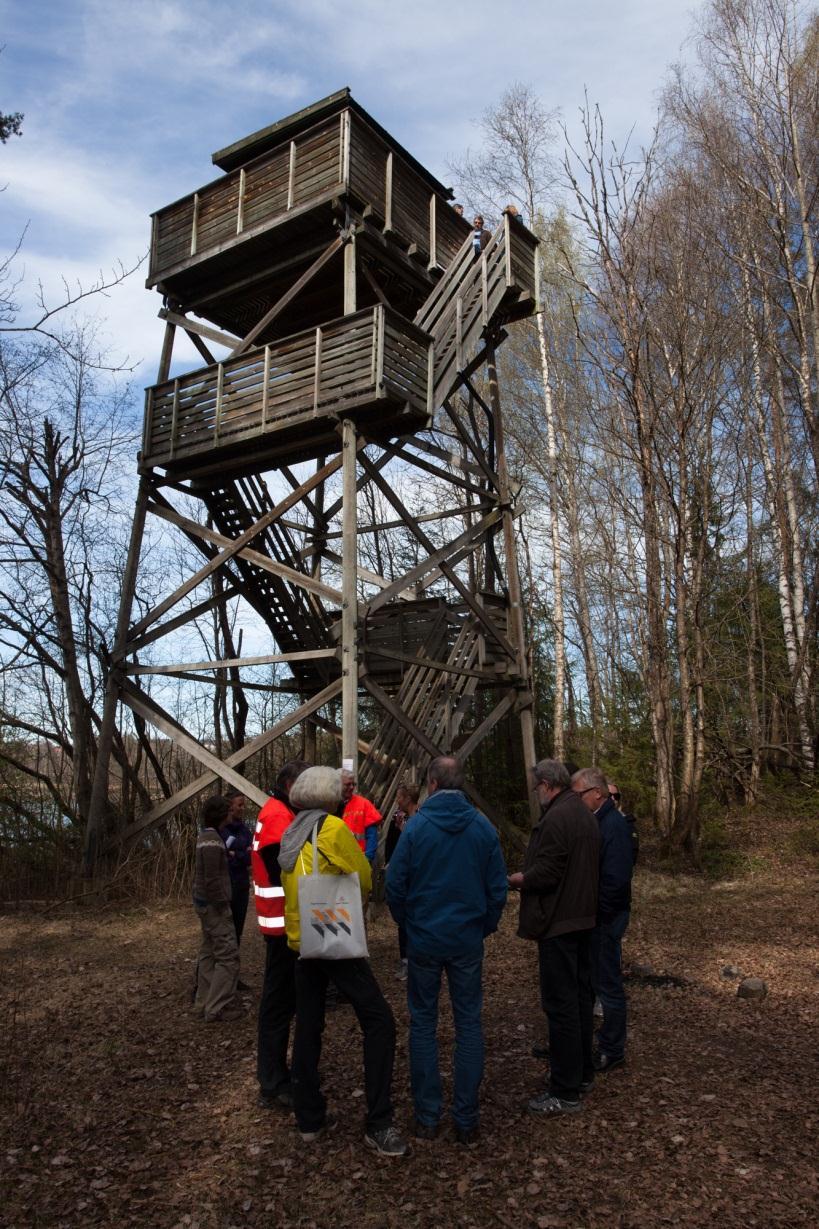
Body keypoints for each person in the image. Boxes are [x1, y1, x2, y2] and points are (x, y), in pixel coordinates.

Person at [279, 766, 409, 1157]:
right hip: (333, 937)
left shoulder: (291, 831)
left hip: (301, 942)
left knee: (308, 1024)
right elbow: (364, 877)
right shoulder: (332, 829)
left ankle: (309, 1118)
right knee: (380, 1022)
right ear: (329, 796)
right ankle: (379, 1122)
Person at [386, 757, 507, 1145]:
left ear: (432, 783)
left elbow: (395, 884)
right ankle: (466, 1121)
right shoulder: (482, 828)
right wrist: (481, 927)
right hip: (465, 941)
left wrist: (409, 923)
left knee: (423, 1024)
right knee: (468, 1023)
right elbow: (497, 890)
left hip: (424, 939)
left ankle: (427, 1117)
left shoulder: (417, 828)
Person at [508, 759, 599, 1116]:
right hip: (581, 919)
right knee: (578, 1002)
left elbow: (548, 871)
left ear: (547, 784)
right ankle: (582, 1074)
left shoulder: (559, 817)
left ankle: (565, 1090)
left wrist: (521, 879)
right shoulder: (583, 815)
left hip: (560, 922)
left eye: (536, 788)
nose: (537, 795)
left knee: (561, 1006)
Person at [251, 759, 309, 1110]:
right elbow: (280, 870)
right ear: (291, 785)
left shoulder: (279, 810)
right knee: (278, 1005)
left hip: (285, 922)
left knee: (286, 1002)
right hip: (281, 924)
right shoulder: (277, 816)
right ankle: (272, 1081)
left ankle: (278, 1076)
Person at [572, 768, 635, 1073]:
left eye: (579, 794)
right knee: (594, 982)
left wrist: (599, 917)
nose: (576, 799)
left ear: (597, 793)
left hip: (605, 918)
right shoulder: (599, 821)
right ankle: (590, 1042)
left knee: (608, 985)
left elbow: (616, 880)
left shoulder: (614, 825)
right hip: (597, 917)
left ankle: (612, 1048)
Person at [192, 794, 242, 1023]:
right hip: (215, 907)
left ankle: (203, 1001)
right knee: (227, 955)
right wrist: (222, 905)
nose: (232, 814)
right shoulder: (212, 841)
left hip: (205, 905)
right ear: (222, 814)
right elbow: (212, 879)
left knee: (209, 953)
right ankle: (217, 1006)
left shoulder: (205, 836)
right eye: (229, 811)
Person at [385, 782, 420, 981]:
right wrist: (390, 863)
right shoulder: (395, 819)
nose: (397, 800)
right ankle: (406, 961)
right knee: (403, 921)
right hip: (401, 876)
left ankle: (418, 960)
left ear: (407, 798)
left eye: (399, 797)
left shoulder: (421, 818)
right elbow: (390, 845)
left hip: (415, 876)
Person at [223, 789, 253, 948]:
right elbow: (223, 858)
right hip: (226, 886)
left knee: (237, 930)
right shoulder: (221, 830)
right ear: (230, 807)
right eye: (239, 805)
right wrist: (242, 854)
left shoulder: (245, 830)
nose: (242, 808)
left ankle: (232, 963)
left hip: (241, 886)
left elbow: (252, 857)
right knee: (224, 929)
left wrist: (236, 854)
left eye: (244, 805)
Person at [340, 769, 382, 863]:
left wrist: (367, 858)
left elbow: (372, 836)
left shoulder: (364, 804)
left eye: (353, 784)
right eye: (347, 784)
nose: (351, 787)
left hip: (360, 860)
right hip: (337, 861)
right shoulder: (330, 805)